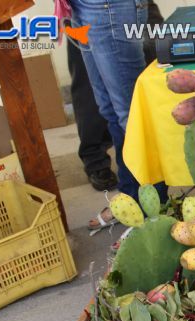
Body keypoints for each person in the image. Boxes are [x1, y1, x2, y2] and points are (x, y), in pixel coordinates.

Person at [68, 0, 168, 231]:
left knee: (130, 114)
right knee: (110, 111)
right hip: (84, 7)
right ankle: (131, 198)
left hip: (108, 7)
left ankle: (154, 211)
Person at [66, 36, 118, 191]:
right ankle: (95, 159)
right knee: (87, 82)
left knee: (148, 59)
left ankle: (146, 153)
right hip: (82, 16)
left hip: (132, 12)